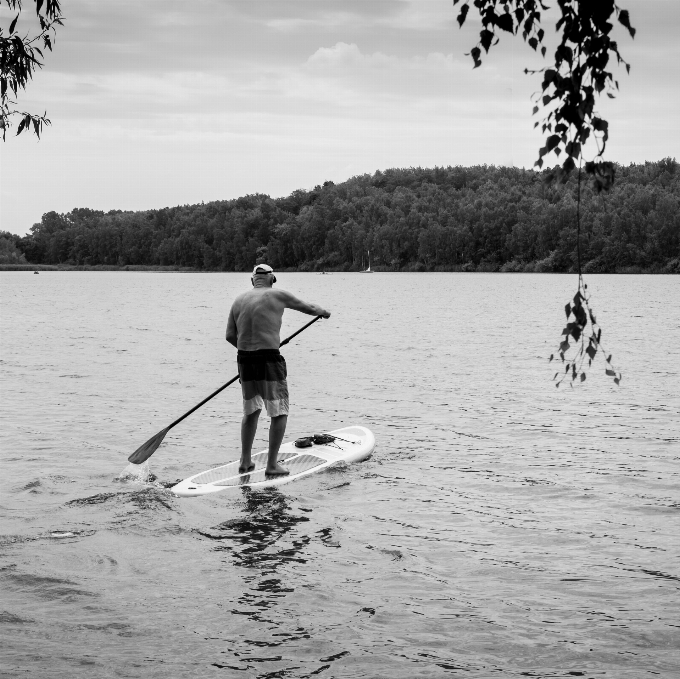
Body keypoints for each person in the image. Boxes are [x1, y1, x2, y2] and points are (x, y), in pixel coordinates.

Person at [226, 264, 331, 476]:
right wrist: (323, 312)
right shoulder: (278, 294)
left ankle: (245, 461)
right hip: (269, 360)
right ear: (272, 278)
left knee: (251, 410)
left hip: (245, 360)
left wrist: (249, 350)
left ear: (252, 280)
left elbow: (230, 336)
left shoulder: (238, 300)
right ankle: (272, 465)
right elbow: (310, 308)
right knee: (279, 411)